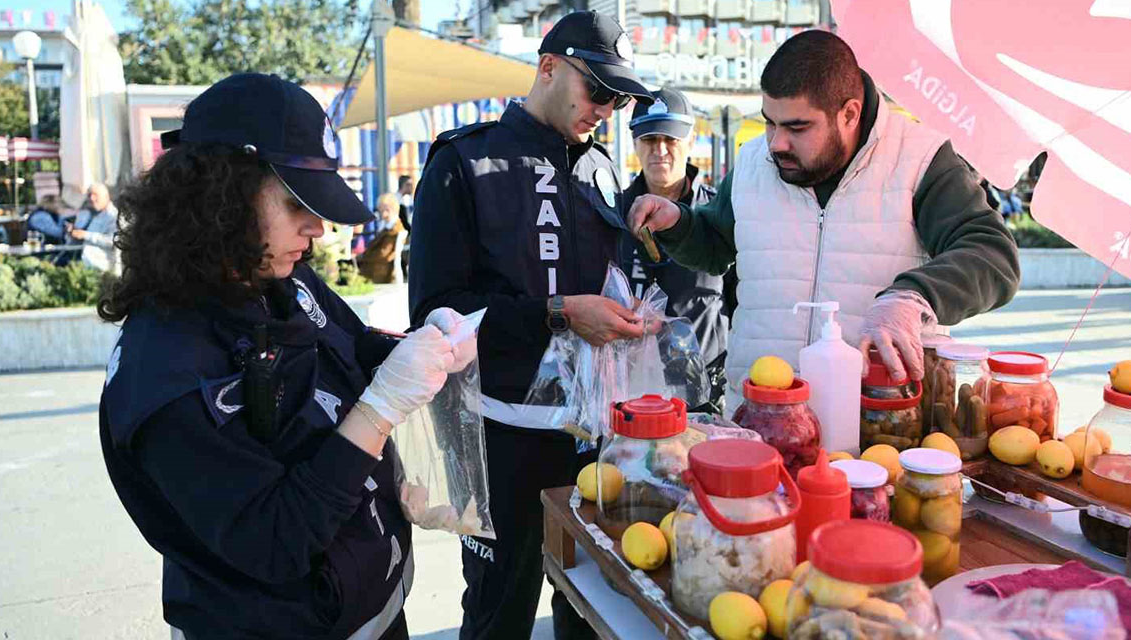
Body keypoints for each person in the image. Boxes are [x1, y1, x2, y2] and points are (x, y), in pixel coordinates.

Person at [97, 73, 471, 640]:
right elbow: (275, 540)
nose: (317, 228)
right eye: (297, 202)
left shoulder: (274, 275)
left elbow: (351, 349)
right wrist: (380, 411)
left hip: (369, 605)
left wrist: (430, 348)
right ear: (219, 197)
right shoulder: (166, 375)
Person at [408, 11, 652, 640]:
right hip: (500, 441)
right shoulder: (463, 161)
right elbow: (435, 313)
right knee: (500, 613)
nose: (607, 109)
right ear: (548, 67)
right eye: (598, 90)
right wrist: (558, 312)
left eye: (620, 99)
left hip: (593, 438)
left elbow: (610, 287)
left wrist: (635, 312)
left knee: (591, 610)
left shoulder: (603, 169)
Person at [628, 31, 1020, 406]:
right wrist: (679, 224)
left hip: (879, 423)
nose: (776, 143)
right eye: (770, 122)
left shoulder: (920, 160)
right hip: (761, 415)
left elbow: (992, 255)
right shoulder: (752, 162)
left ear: (849, 114)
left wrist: (914, 297)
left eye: (797, 127)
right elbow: (715, 244)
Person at [619, 87, 730, 413]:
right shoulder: (611, 214)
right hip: (630, 392)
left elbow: (742, 301)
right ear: (635, 144)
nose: (660, 150)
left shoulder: (715, 216)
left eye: (671, 139)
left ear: (691, 141)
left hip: (703, 393)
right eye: (650, 139)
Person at [67, 183, 120, 273]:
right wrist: (73, 233)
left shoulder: (113, 216)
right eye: (89, 195)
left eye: (95, 195)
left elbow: (113, 241)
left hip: (101, 268)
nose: (91, 198)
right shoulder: (91, 214)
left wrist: (86, 235)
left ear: (106, 197)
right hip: (81, 263)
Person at [359, 192, 407, 283]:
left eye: (386, 209)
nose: (383, 213)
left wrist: (364, 257)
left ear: (394, 209)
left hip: (381, 273)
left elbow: (383, 254)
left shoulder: (395, 229)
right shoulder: (385, 226)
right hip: (375, 270)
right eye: (381, 210)